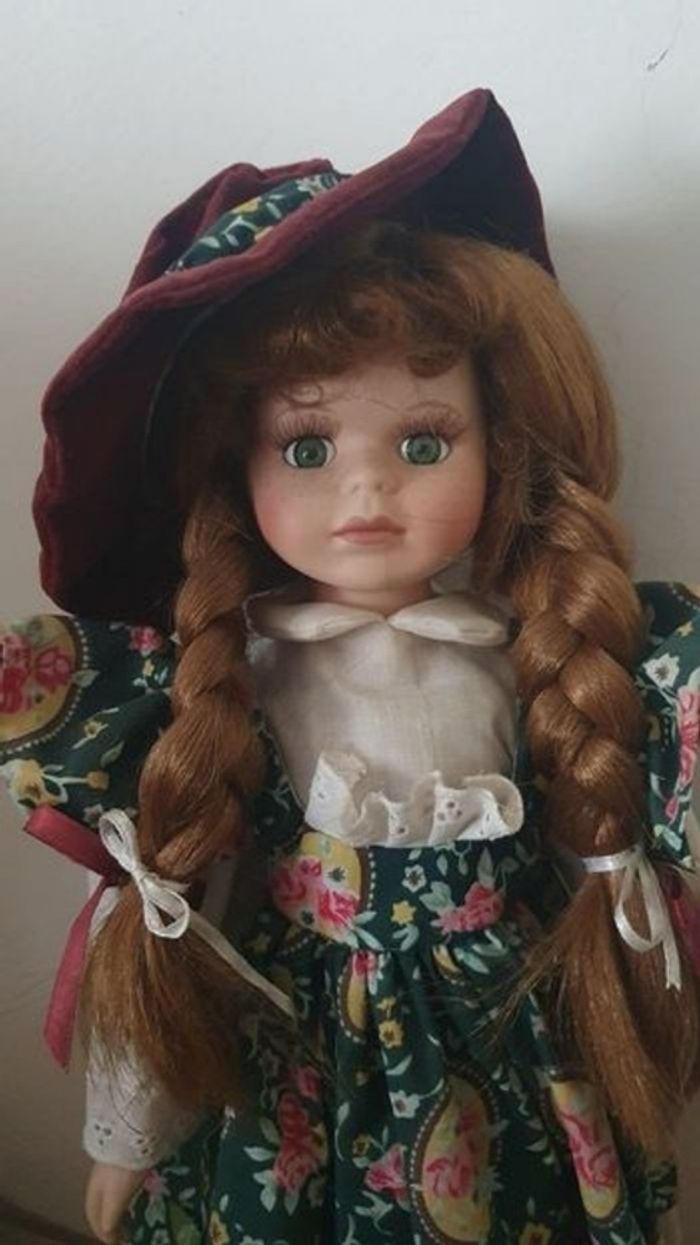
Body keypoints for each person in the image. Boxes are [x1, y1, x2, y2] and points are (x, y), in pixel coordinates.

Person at [1, 89, 699, 1245]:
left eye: (423, 442)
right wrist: (125, 1134)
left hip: (510, 1051)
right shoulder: (229, 683)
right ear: (236, 469)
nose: (367, 488)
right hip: (292, 1062)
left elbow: (608, 899)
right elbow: (171, 917)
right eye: (307, 446)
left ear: (501, 445)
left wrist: (637, 1118)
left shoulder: (538, 662)